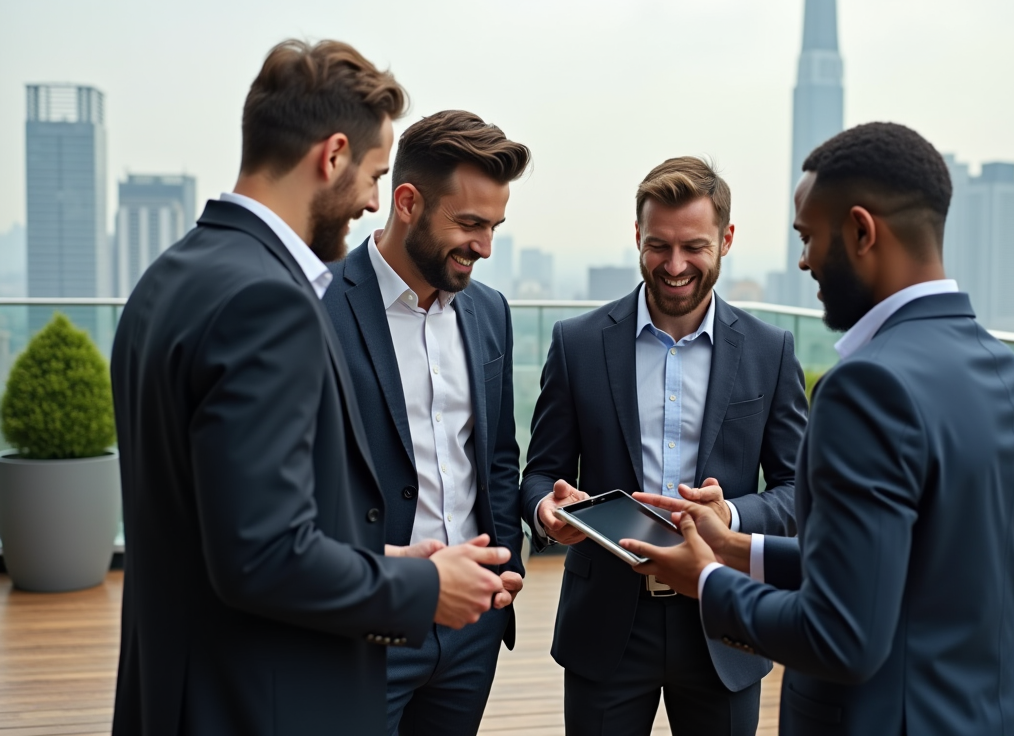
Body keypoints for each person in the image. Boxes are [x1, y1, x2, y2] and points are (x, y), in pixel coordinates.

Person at [110, 40, 510, 736]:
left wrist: (375, 558)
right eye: (373, 174)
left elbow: (224, 523)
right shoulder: (271, 302)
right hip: (255, 697)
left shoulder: (171, 276)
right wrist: (422, 585)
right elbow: (263, 557)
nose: (370, 201)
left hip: (176, 688)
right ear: (332, 157)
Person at [624, 122, 1014, 736]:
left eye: (809, 238)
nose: (803, 261)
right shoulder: (1007, 373)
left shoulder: (867, 388)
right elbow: (909, 570)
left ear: (860, 231)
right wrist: (736, 549)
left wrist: (708, 580)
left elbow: (842, 635)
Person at [519, 157, 809, 736]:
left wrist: (728, 514)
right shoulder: (576, 344)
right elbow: (538, 473)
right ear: (637, 238)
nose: (675, 266)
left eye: (694, 247)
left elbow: (797, 490)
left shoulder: (770, 350)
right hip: (605, 623)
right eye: (659, 246)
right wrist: (548, 514)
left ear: (726, 240)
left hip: (722, 622)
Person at [323, 110, 531, 735]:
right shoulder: (318, 304)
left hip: (472, 630)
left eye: (494, 226)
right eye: (469, 223)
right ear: (407, 202)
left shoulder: (489, 312)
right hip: (365, 627)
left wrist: (503, 565)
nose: (485, 247)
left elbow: (496, 456)